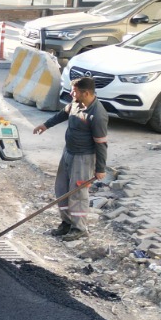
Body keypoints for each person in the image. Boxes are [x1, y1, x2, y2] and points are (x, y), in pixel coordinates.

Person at [33, 77, 109, 241]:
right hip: (68, 152)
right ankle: (66, 223)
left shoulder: (97, 114)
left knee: (78, 193)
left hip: (84, 158)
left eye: (74, 91)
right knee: (62, 189)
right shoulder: (76, 103)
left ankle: (79, 228)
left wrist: (100, 169)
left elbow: (101, 143)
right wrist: (45, 125)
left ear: (86, 93)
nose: (71, 93)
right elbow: (63, 114)